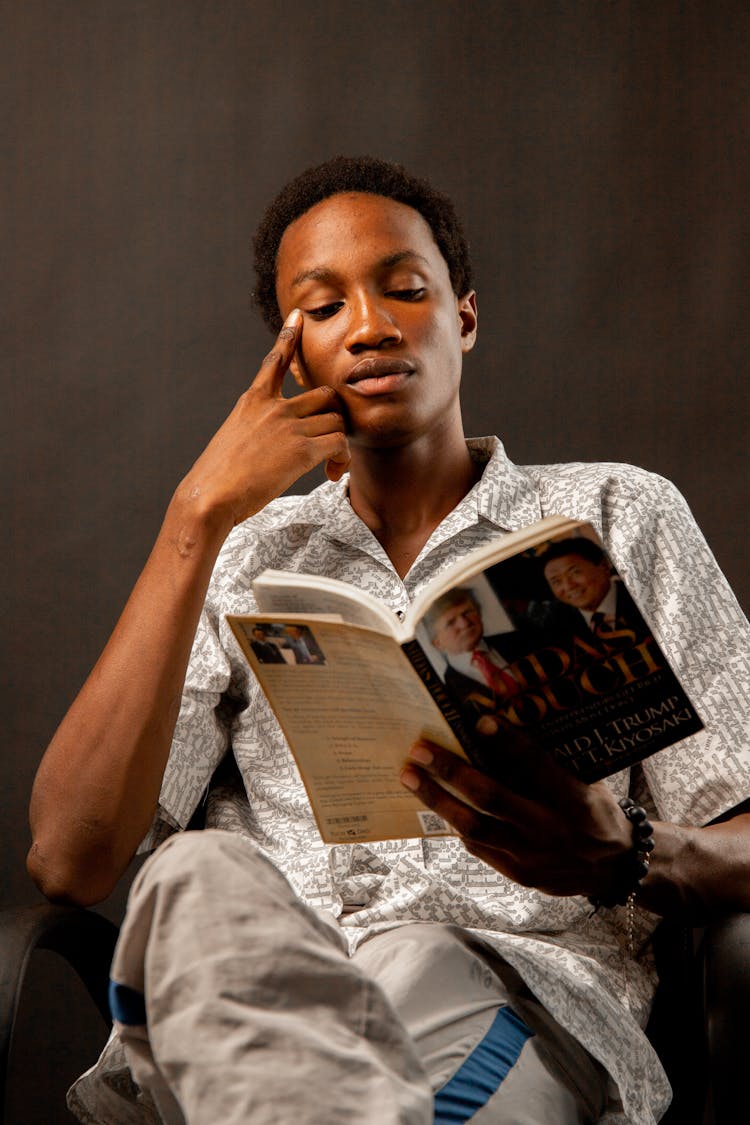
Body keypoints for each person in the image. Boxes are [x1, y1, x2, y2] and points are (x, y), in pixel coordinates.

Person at [27, 156, 750, 1125]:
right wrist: (195, 517)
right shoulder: (242, 558)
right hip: (247, 1019)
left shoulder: (617, 516)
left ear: (465, 318)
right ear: (291, 362)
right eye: (321, 310)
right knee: (194, 876)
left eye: (406, 290)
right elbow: (70, 860)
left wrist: (626, 853)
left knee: (415, 956)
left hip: (508, 1006)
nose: (369, 325)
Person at [423, 587, 528, 735]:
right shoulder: (443, 692)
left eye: (467, 612)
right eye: (451, 622)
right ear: (437, 643)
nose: (465, 623)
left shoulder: (523, 641)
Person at [541, 537, 651, 650]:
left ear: (604, 566)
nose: (568, 586)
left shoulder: (646, 595)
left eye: (575, 572)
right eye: (556, 581)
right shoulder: (555, 626)